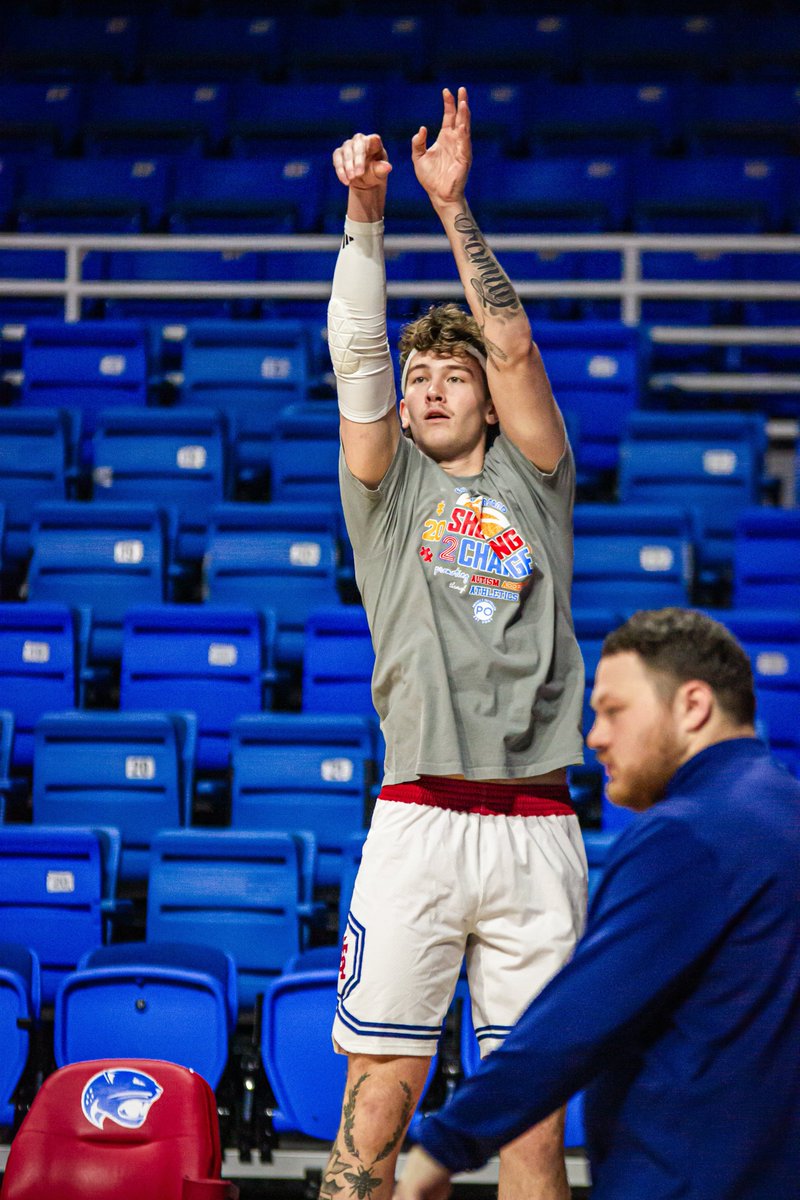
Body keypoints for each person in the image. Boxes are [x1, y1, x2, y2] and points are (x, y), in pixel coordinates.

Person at [322, 85, 587, 1200]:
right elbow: (356, 358)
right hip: (420, 818)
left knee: (530, 1117)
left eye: (451, 376)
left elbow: (515, 343)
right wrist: (367, 220)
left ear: (485, 405)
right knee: (379, 1091)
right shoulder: (384, 494)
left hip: (536, 822)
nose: (427, 387)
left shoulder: (536, 477)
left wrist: (450, 208)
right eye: (419, 376)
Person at [396, 606, 800, 1200]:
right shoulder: (784, 811)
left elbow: (578, 1019)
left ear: (693, 706)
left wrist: (443, 1148)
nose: (595, 737)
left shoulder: (686, 835)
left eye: (613, 711)